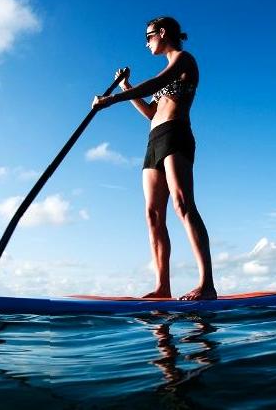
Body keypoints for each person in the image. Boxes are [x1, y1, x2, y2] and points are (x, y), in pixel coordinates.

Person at [92, 16, 216, 301]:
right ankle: (163, 287)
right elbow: (150, 112)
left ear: (162, 33)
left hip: (176, 134)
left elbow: (157, 82)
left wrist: (110, 100)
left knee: (182, 204)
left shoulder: (184, 60)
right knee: (152, 215)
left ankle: (207, 284)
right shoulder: (169, 71)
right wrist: (125, 88)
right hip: (154, 140)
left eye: (148, 37)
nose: (146, 43)